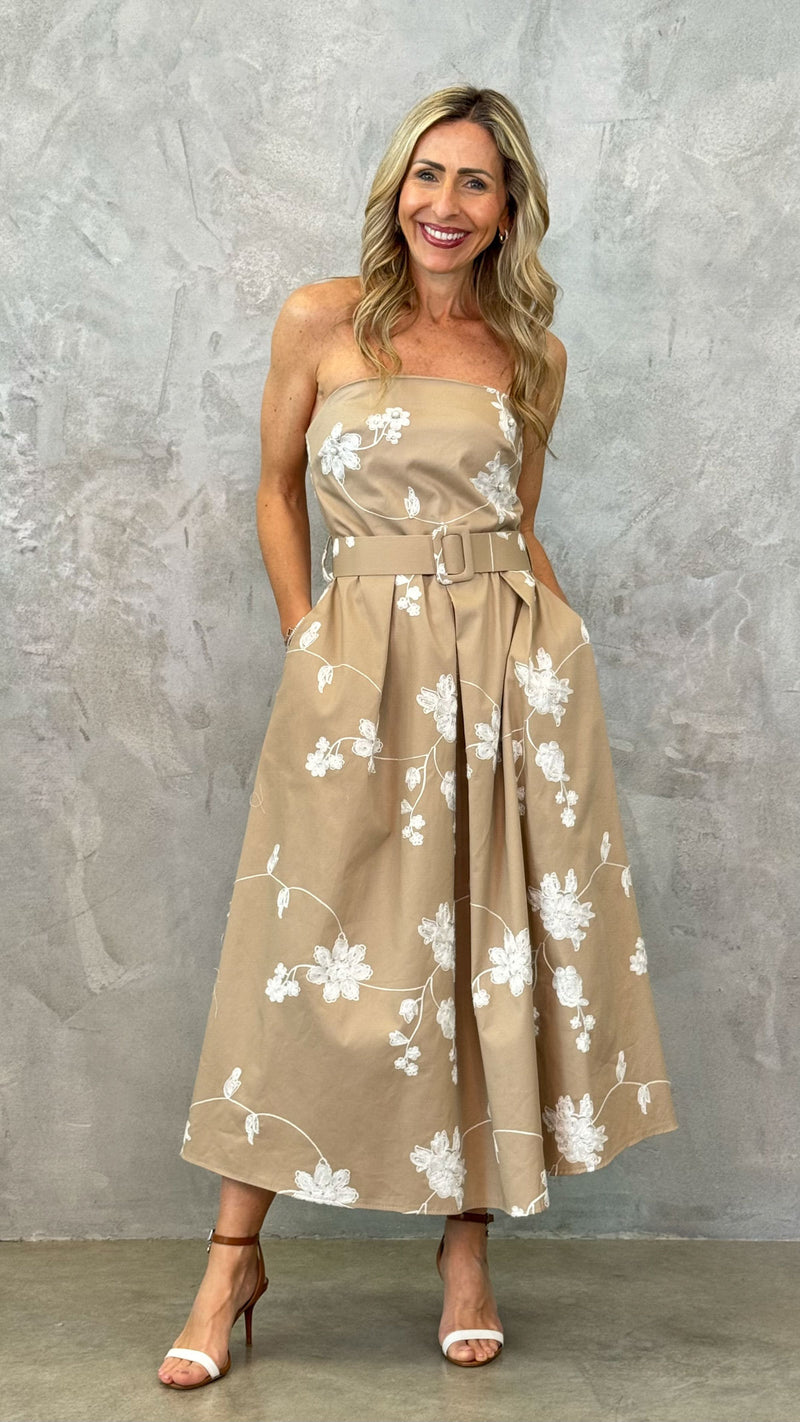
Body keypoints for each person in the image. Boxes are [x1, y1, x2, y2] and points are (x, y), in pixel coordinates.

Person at [158, 83, 678, 1389]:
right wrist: (307, 636)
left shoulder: (533, 356)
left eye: (475, 183)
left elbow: (519, 524)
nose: (446, 203)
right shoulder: (321, 319)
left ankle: (466, 1252)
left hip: (505, 674)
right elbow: (277, 490)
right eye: (428, 175)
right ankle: (231, 1260)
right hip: (358, 669)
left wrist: (564, 656)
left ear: (508, 212)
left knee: (482, 955)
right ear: (399, 187)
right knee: (302, 954)